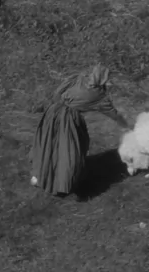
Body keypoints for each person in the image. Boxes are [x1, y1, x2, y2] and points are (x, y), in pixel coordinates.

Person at [31, 64, 128, 197]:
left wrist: (59, 105)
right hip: (69, 121)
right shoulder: (100, 96)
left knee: (48, 144)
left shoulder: (77, 78)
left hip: (52, 113)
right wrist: (126, 126)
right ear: (104, 79)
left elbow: (58, 93)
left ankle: (39, 175)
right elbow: (114, 114)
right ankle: (61, 181)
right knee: (69, 150)